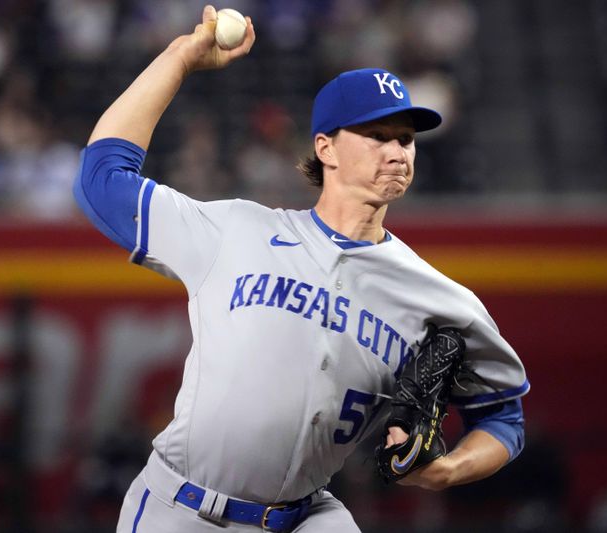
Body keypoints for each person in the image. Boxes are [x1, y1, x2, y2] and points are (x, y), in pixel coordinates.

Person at [73, 6, 529, 532]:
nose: (398, 151)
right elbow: (101, 180)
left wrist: (448, 469)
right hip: (182, 510)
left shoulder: (438, 298)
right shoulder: (235, 230)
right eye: (377, 136)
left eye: (405, 138)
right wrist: (179, 58)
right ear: (325, 148)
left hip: (308, 516)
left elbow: (502, 416)